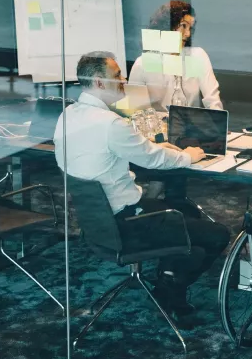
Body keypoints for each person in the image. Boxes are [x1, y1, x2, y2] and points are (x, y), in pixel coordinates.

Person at [54, 51, 231, 325]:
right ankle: (168, 290)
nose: (123, 81)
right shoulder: (110, 124)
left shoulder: (68, 115)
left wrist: (160, 148)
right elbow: (152, 158)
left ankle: (170, 278)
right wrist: (188, 156)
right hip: (128, 222)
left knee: (184, 212)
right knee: (218, 234)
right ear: (99, 83)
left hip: (97, 222)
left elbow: (141, 150)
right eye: (116, 76)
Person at [128, 0, 223, 111]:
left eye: (190, 28)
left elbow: (212, 100)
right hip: (159, 126)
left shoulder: (197, 56)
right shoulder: (143, 63)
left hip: (191, 124)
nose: (187, 34)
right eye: (183, 26)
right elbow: (135, 110)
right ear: (167, 26)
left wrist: (217, 125)